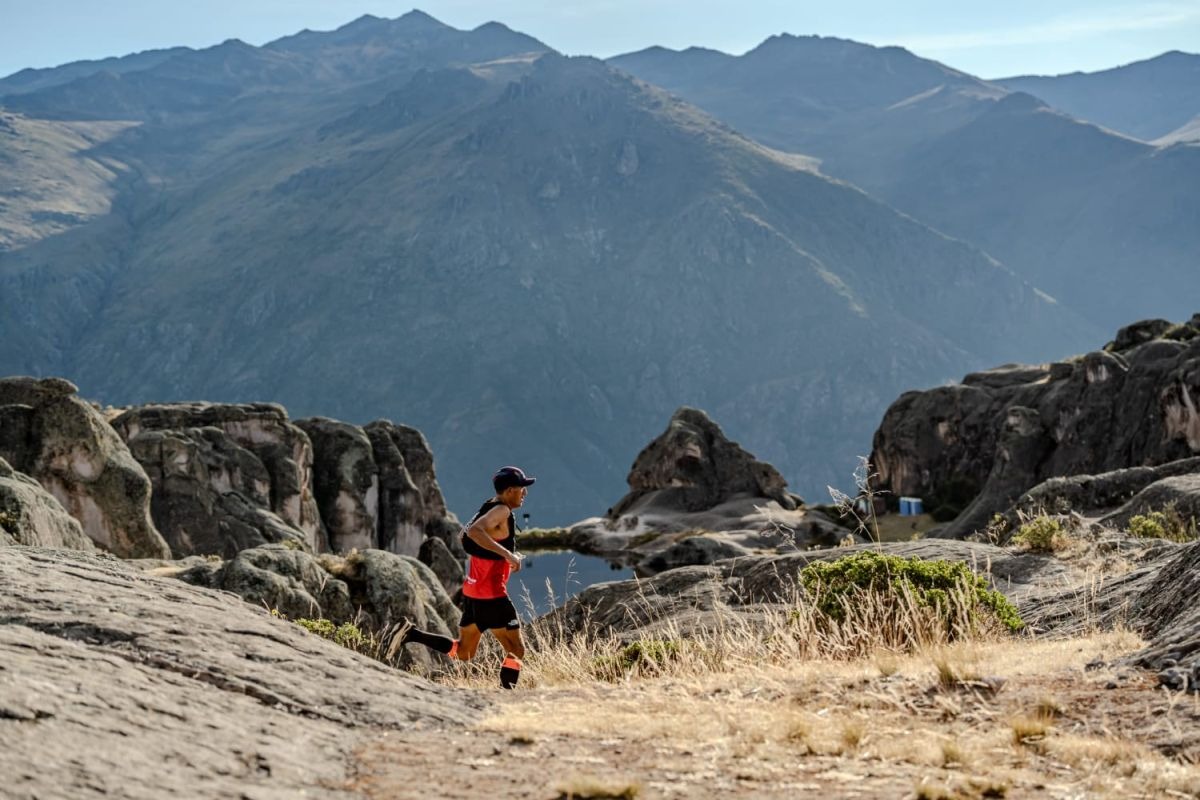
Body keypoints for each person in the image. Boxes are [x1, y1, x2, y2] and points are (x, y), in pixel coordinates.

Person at [387, 465, 534, 689]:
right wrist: (506, 554)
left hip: (474, 592)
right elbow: (475, 531)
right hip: (492, 594)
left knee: (464, 652)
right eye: (522, 488)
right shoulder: (502, 510)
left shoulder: (488, 505)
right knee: (517, 650)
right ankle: (507, 695)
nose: (525, 493)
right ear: (510, 490)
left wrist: (503, 555)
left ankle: (410, 633)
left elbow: (463, 534)